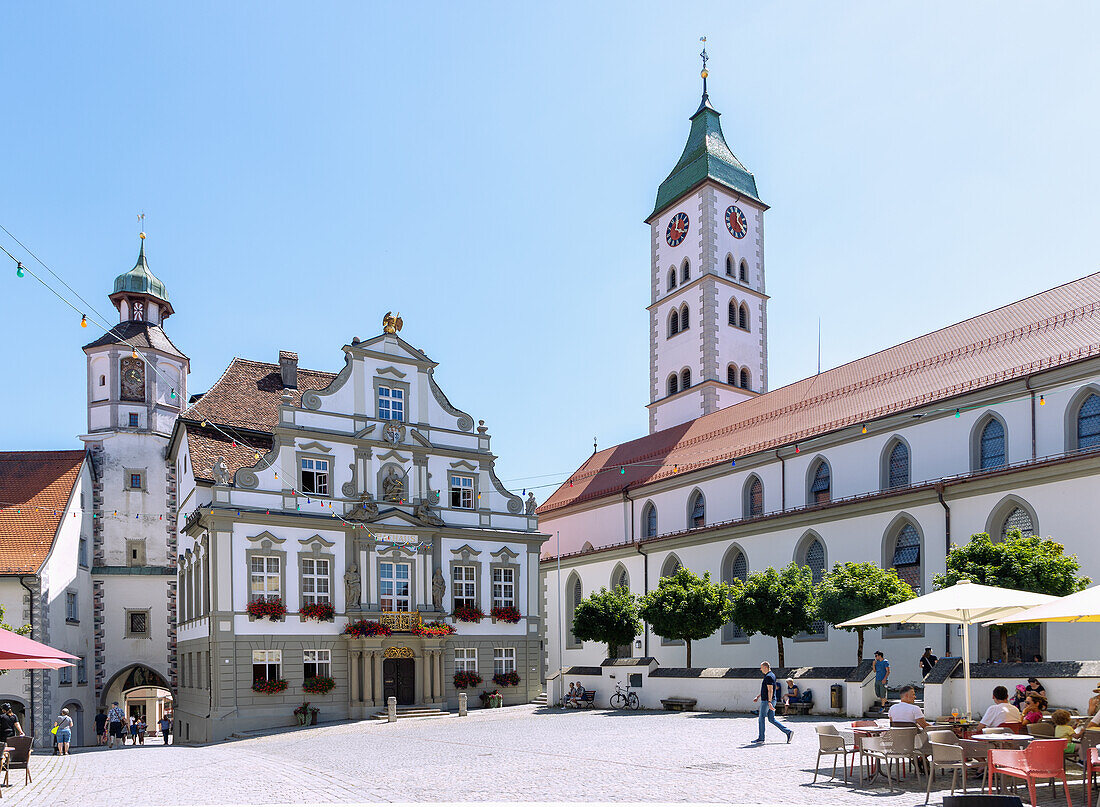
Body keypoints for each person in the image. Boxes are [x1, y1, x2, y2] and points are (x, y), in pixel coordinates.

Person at [751, 661, 792, 744]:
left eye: (761, 667)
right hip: (770, 700)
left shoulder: (769, 676)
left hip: (767, 701)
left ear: (765, 667)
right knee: (771, 719)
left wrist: (769, 702)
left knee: (761, 718)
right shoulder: (770, 675)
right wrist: (758, 696)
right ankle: (788, 732)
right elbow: (766, 689)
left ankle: (761, 738)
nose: (760, 669)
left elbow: (770, 690)